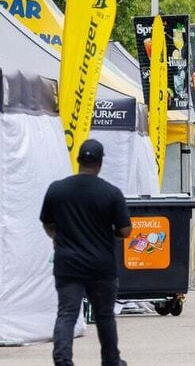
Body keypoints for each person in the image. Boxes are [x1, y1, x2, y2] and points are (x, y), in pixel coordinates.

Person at [40, 139, 132, 366]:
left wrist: (59, 238)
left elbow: (47, 222)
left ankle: (62, 360)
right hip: (101, 265)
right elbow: (125, 230)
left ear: (79, 160)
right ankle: (111, 360)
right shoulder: (111, 193)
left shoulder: (57, 189)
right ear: (100, 163)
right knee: (104, 316)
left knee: (67, 313)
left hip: (68, 263)